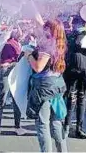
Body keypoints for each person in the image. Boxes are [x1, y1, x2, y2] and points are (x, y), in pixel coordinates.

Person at [24, 19, 67, 153]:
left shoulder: (47, 45)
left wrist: (29, 55)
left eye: (46, 28)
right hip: (57, 85)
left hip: (44, 89)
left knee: (43, 125)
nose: (43, 30)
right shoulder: (60, 43)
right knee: (56, 123)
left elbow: (38, 67)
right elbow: (39, 20)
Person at [64, 15, 86, 139]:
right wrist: (84, 33)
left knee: (82, 99)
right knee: (71, 98)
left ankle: (79, 128)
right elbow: (76, 44)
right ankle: (66, 127)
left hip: (85, 69)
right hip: (72, 69)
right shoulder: (70, 35)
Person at [0, 28, 27, 137]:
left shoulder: (18, 43)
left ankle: (17, 126)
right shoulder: (7, 43)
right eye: (20, 30)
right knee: (2, 99)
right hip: (6, 72)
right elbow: (2, 61)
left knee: (16, 99)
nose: (22, 33)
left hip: (15, 72)